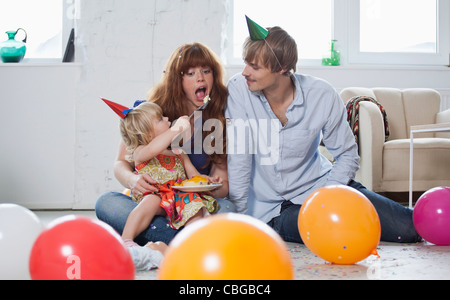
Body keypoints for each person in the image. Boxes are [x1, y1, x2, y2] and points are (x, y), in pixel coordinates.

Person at [225, 16, 421, 244]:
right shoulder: (239, 89)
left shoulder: (321, 94)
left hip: (322, 186)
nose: (245, 72)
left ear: (282, 68)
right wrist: (237, 218)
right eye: (245, 63)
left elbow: (347, 155)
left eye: (254, 66)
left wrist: (328, 196)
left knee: (408, 228)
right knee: (344, 233)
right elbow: (239, 158)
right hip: (273, 210)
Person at [95, 43, 234, 248]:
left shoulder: (217, 121)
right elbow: (122, 162)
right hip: (152, 201)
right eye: (190, 73)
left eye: (206, 71)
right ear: (177, 79)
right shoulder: (151, 112)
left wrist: (206, 186)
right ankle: (192, 242)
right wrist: (133, 180)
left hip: (190, 202)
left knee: (227, 207)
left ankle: (163, 239)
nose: (200, 78)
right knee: (106, 202)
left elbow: (223, 185)